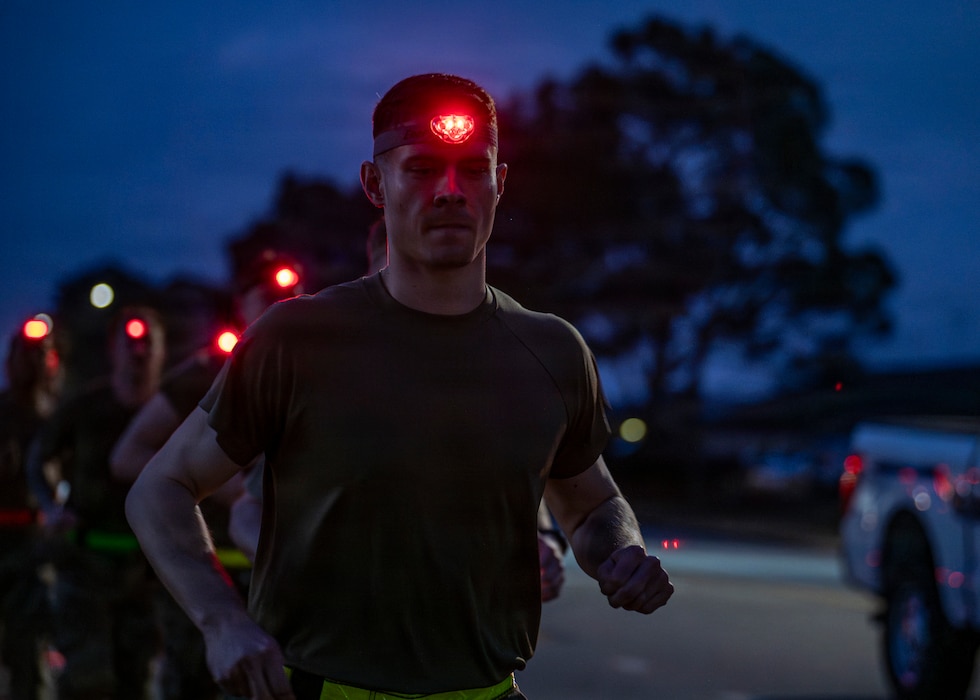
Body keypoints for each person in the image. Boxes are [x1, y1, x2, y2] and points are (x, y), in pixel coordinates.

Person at [126, 73, 673, 700]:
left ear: (500, 182)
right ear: (374, 184)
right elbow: (159, 487)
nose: (449, 191)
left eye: (472, 169)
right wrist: (221, 622)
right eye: (419, 169)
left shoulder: (552, 350)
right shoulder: (296, 339)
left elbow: (593, 505)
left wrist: (620, 553)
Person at [109, 251, 305, 700]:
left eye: (292, 292)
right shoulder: (209, 371)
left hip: (278, 579)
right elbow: (128, 456)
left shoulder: (313, 369)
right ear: (243, 304)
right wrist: (222, 487)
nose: (286, 302)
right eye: (271, 295)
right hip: (208, 578)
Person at [28, 305, 166, 700]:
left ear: (161, 351)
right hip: (85, 568)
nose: (139, 354)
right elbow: (40, 457)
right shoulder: (86, 408)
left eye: (148, 344)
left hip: (145, 574)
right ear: (114, 350)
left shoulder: (171, 413)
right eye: (131, 344)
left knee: (135, 681)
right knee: (88, 683)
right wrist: (52, 507)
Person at [0, 318, 63, 700]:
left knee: (29, 653)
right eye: (27, 354)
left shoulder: (60, 416)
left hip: (35, 547)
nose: (35, 362)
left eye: (42, 353)